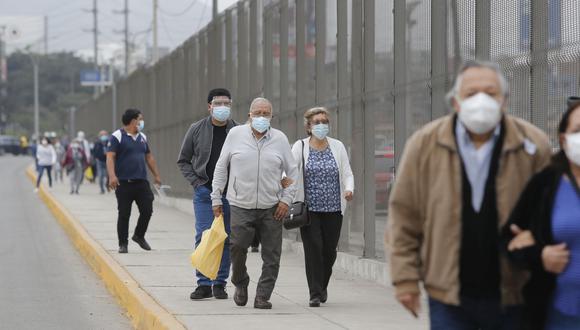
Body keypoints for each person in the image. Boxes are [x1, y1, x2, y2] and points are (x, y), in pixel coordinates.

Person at [387, 60, 552, 329]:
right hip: (448, 296)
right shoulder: (425, 143)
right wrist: (405, 278)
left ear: (504, 101)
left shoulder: (532, 144)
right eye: (472, 93)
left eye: (490, 92)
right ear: (455, 102)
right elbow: (405, 214)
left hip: (516, 293)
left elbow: (551, 212)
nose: (482, 100)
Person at [211, 97, 298, 309]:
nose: (261, 117)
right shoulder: (235, 135)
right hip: (241, 204)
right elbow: (222, 166)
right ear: (249, 115)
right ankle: (240, 282)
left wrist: (286, 200)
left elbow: (293, 172)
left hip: (272, 206)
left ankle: (263, 295)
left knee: (272, 255)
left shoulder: (279, 139)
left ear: (271, 117)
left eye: (266, 113)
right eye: (257, 113)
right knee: (237, 247)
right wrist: (216, 196)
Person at [502, 98, 580, 330]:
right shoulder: (546, 184)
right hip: (561, 316)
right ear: (564, 140)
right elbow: (510, 238)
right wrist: (539, 253)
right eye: (578, 130)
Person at [177, 88, 237, 300]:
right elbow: (183, 160)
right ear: (209, 106)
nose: (222, 107)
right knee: (204, 236)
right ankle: (203, 283)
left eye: (226, 103)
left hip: (229, 194)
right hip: (204, 192)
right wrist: (197, 183)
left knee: (225, 238)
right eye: (218, 103)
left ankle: (220, 283)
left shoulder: (237, 131)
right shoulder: (196, 129)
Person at [291, 107, 354, 307]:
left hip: (334, 208)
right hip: (309, 210)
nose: (321, 125)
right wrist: (285, 190)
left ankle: (322, 285)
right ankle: (315, 293)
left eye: (324, 121)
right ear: (308, 126)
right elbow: (290, 172)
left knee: (329, 251)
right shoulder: (300, 147)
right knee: (313, 249)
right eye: (317, 122)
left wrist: (349, 189)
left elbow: (347, 173)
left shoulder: (338, 146)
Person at [107, 109, 162, 254]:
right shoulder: (117, 136)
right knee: (124, 214)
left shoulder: (142, 137)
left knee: (147, 210)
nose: (142, 122)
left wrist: (156, 175)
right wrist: (112, 176)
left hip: (141, 182)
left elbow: (149, 157)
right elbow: (110, 157)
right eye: (140, 119)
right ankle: (123, 244)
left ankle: (139, 235)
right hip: (123, 183)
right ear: (133, 121)